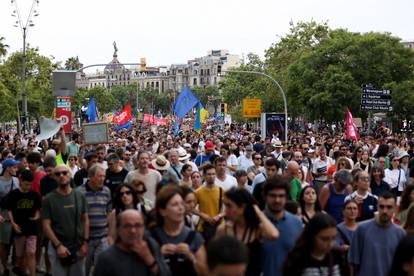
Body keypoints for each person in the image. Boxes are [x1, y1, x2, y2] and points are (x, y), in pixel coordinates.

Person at [215, 187, 278, 276]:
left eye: (229, 206)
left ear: (242, 207)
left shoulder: (257, 229)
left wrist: (258, 212)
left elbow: (274, 234)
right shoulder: (223, 230)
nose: (225, 211)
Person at [42, 165, 89, 276]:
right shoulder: (49, 199)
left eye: (64, 172)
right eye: (58, 174)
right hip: (57, 248)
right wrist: (58, 246)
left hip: (78, 247)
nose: (61, 176)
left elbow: (85, 220)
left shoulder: (80, 195)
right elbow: (46, 225)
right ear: (54, 177)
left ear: (70, 174)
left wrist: (85, 243)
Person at [94, 210, 171, 276]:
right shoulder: (106, 259)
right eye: (127, 226)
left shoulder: (151, 246)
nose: (133, 231)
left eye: (138, 225)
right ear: (118, 229)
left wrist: (150, 260)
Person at [150, 185, 206, 276]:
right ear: (162, 211)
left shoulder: (194, 236)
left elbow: (206, 272)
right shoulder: (152, 237)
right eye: (175, 204)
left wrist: (191, 257)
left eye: (181, 204)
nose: (181, 208)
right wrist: (158, 256)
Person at [348, 192, 406, 276]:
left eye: (389, 207)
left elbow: (403, 265)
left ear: (395, 209)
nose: (385, 211)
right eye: (381, 206)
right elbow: (352, 261)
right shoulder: (361, 229)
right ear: (377, 206)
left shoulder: (400, 234)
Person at [261, 176, 303, 276]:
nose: (277, 200)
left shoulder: (296, 223)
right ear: (265, 196)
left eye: (281, 196)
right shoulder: (255, 223)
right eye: (273, 196)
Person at [284, 213, 348, 275]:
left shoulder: (337, 255)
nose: (330, 244)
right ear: (312, 236)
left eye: (333, 238)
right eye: (324, 239)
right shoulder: (298, 259)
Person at [77, 164, 111, 276]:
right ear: (90, 177)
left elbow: (109, 212)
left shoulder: (106, 191)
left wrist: (110, 233)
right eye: (99, 176)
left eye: (103, 176)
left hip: (102, 236)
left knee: (101, 269)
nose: (102, 179)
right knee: (83, 269)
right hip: (85, 238)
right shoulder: (79, 192)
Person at [6, 169, 41, 276]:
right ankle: (21, 270)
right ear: (20, 181)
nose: (28, 187)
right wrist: (13, 223)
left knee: (31, 253)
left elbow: (38, 209)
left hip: (31, 228)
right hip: (19, 227)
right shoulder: (14, 194)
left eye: (30, 185)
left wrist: (36, 217)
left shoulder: (34, 195)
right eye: (26, 184)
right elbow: (9, 210)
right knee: (20, 254)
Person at [195, 164, 224, 241]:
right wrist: (203, 215)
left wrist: (219, 215)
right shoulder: (198, 192)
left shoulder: (221, 190)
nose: (211, 176)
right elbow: (190, 208)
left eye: (213, 174)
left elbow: (228, 208)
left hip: (219, 227)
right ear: (204, 175)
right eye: (209, 174)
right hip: (203, 227)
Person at [0, 159, 20, 276]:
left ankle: (16, 265)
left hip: (16, 217)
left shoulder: (16, 180)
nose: (16, 169)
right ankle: (4, 266)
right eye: (14, 167)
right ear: (8, 168)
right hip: (4, 218)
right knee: (3, 244)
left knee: (16, 242)